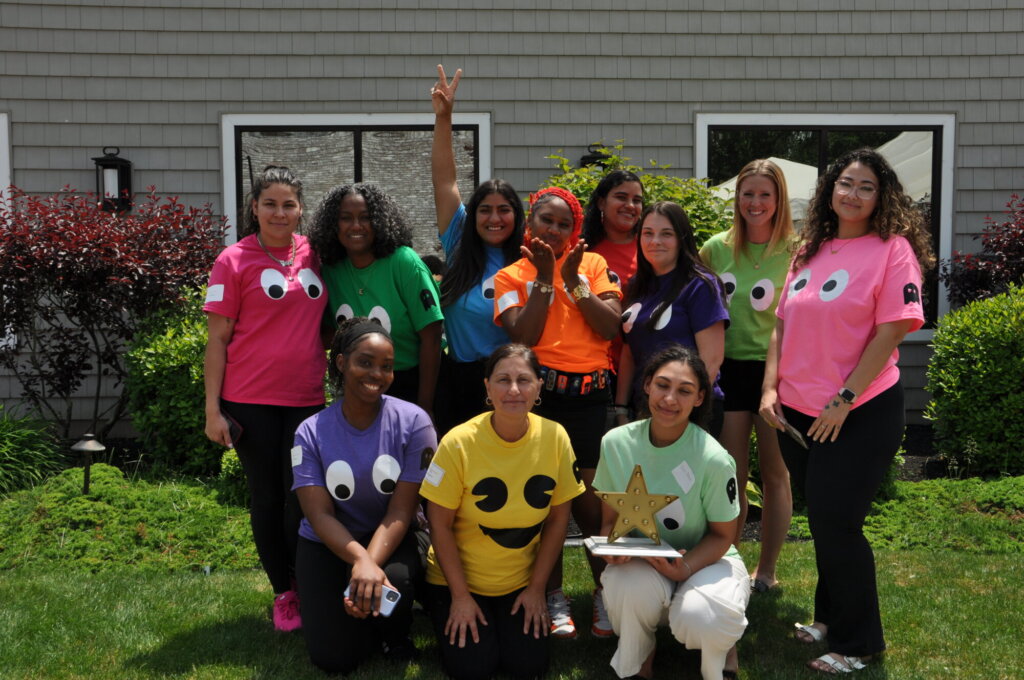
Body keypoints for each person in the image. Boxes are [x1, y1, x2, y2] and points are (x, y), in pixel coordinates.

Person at [759, 148, 933, 674]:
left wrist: (844, 400)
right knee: (824, 518)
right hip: (795, 411)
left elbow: (892, 329)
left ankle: (859, 644)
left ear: (882, 198)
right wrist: (770, 388)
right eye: (845, 184)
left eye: (866, 187)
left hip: (859, 410)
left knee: (839, 523)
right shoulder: (810, 249)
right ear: (830, 191)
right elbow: (781, 323)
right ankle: (829, 618)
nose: (852, 194)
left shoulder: (892, 250)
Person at [493, 186, 622, 639]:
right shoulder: (510, 275)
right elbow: (523, 337)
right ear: (530, 222)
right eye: (546, 220)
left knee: (592, 506)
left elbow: (609, 327)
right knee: (544, 500)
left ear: (575, 229)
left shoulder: (594, 264)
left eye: (564, 224)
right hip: (541, 397)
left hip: (589, 397)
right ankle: (553, 596)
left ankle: (608, 591)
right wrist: (546, 280)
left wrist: (573, 280)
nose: (554, 229)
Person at [203, 165, 326, 632]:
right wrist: (212, 410)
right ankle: (284, 592)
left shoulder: (315, 254)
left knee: (304, 497)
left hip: (307, 399)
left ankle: (306, 579)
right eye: (269, 204)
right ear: (254, 207)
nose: (279, 213)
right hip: (250, 400)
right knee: (268, 498)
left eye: (288, 204)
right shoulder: (232, 260)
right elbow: (217, 340)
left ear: (300, 209)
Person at [420, 343, 584, 680]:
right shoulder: (457, 442)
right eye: (503, 380)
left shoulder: (556, 437)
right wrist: (460, 597)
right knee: (472, 668)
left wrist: (537, 589)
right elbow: (439, 524)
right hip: (457, 581)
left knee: (528, 666)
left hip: (519, 582)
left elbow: (558, 520)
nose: (513, 390)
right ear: (487, 386)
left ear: (539, 386)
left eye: (523, 380)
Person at [291, 317, 436, 674]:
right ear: (342, 363)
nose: (377, 374)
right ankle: (362, 615)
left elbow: (402, 510)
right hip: (326, 541)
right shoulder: (309, 432)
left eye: (386, 366)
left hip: (390, 535)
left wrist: (369, 564)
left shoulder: (415, 422)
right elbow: (319, 514)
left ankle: (394, 632)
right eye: (365, 362)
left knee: (397, 579)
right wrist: (362, 562)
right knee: (335, 659)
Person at [595, 345, 747, 680]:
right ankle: (640, 659)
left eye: (684, 391)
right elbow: (609, 523)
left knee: (702, 618)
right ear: (647, 385)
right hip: (645, 560)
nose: (669, 399)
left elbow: (723, 535)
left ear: (699, 398)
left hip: (709, 558)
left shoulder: (714, 458)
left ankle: (722, 648)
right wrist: (612, 549)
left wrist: (686, 567)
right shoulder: (615, 443)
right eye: (662, 385)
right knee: (623, 585)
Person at [699, 159, 796, 592]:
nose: (755, 202)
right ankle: (729, 564)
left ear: (779, 200)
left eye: (764, 195)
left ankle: (767, 570)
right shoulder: (714, 249)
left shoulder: (799, 251)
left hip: (777, 372)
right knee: (731, 472)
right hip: (728, 369)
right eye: (748, 193)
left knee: (775, 472)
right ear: (737, 197)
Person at [430, 65, 525, 436]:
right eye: (485, 210)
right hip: (459, 380)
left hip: (511, 382)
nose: (494, 218)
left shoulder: (529, 258)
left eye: (504, 210)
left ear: (517, 215)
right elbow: (445, 180)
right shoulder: (458, 242)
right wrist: (444, 118)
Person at [309, 182, 443, 416]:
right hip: (357, 386)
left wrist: (424, 406)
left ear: (380, 221)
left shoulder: (404, 262)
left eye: (365, 217)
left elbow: (431, 337)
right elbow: (329, 334)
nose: (356, 225)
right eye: (345, 218)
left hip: (410, 381)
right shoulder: (331, 270)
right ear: (333, 224)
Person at [616, 201, 729, 437]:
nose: (655, 241)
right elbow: (629, 351)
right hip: (645, 408)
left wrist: (680, 408)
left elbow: (711, 359)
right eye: (648, 233)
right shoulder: (636, 285)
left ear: (681, 239)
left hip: (688, 412)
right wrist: (620, 407)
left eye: (666, 234)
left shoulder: (700, 285)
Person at [582, 170, 644, 383]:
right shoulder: (582, 249)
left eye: (637, 200)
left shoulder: (650, 248)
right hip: (592, 367)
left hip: (639, 365)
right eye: (621, 197)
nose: (630, 205)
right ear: (601, 203)